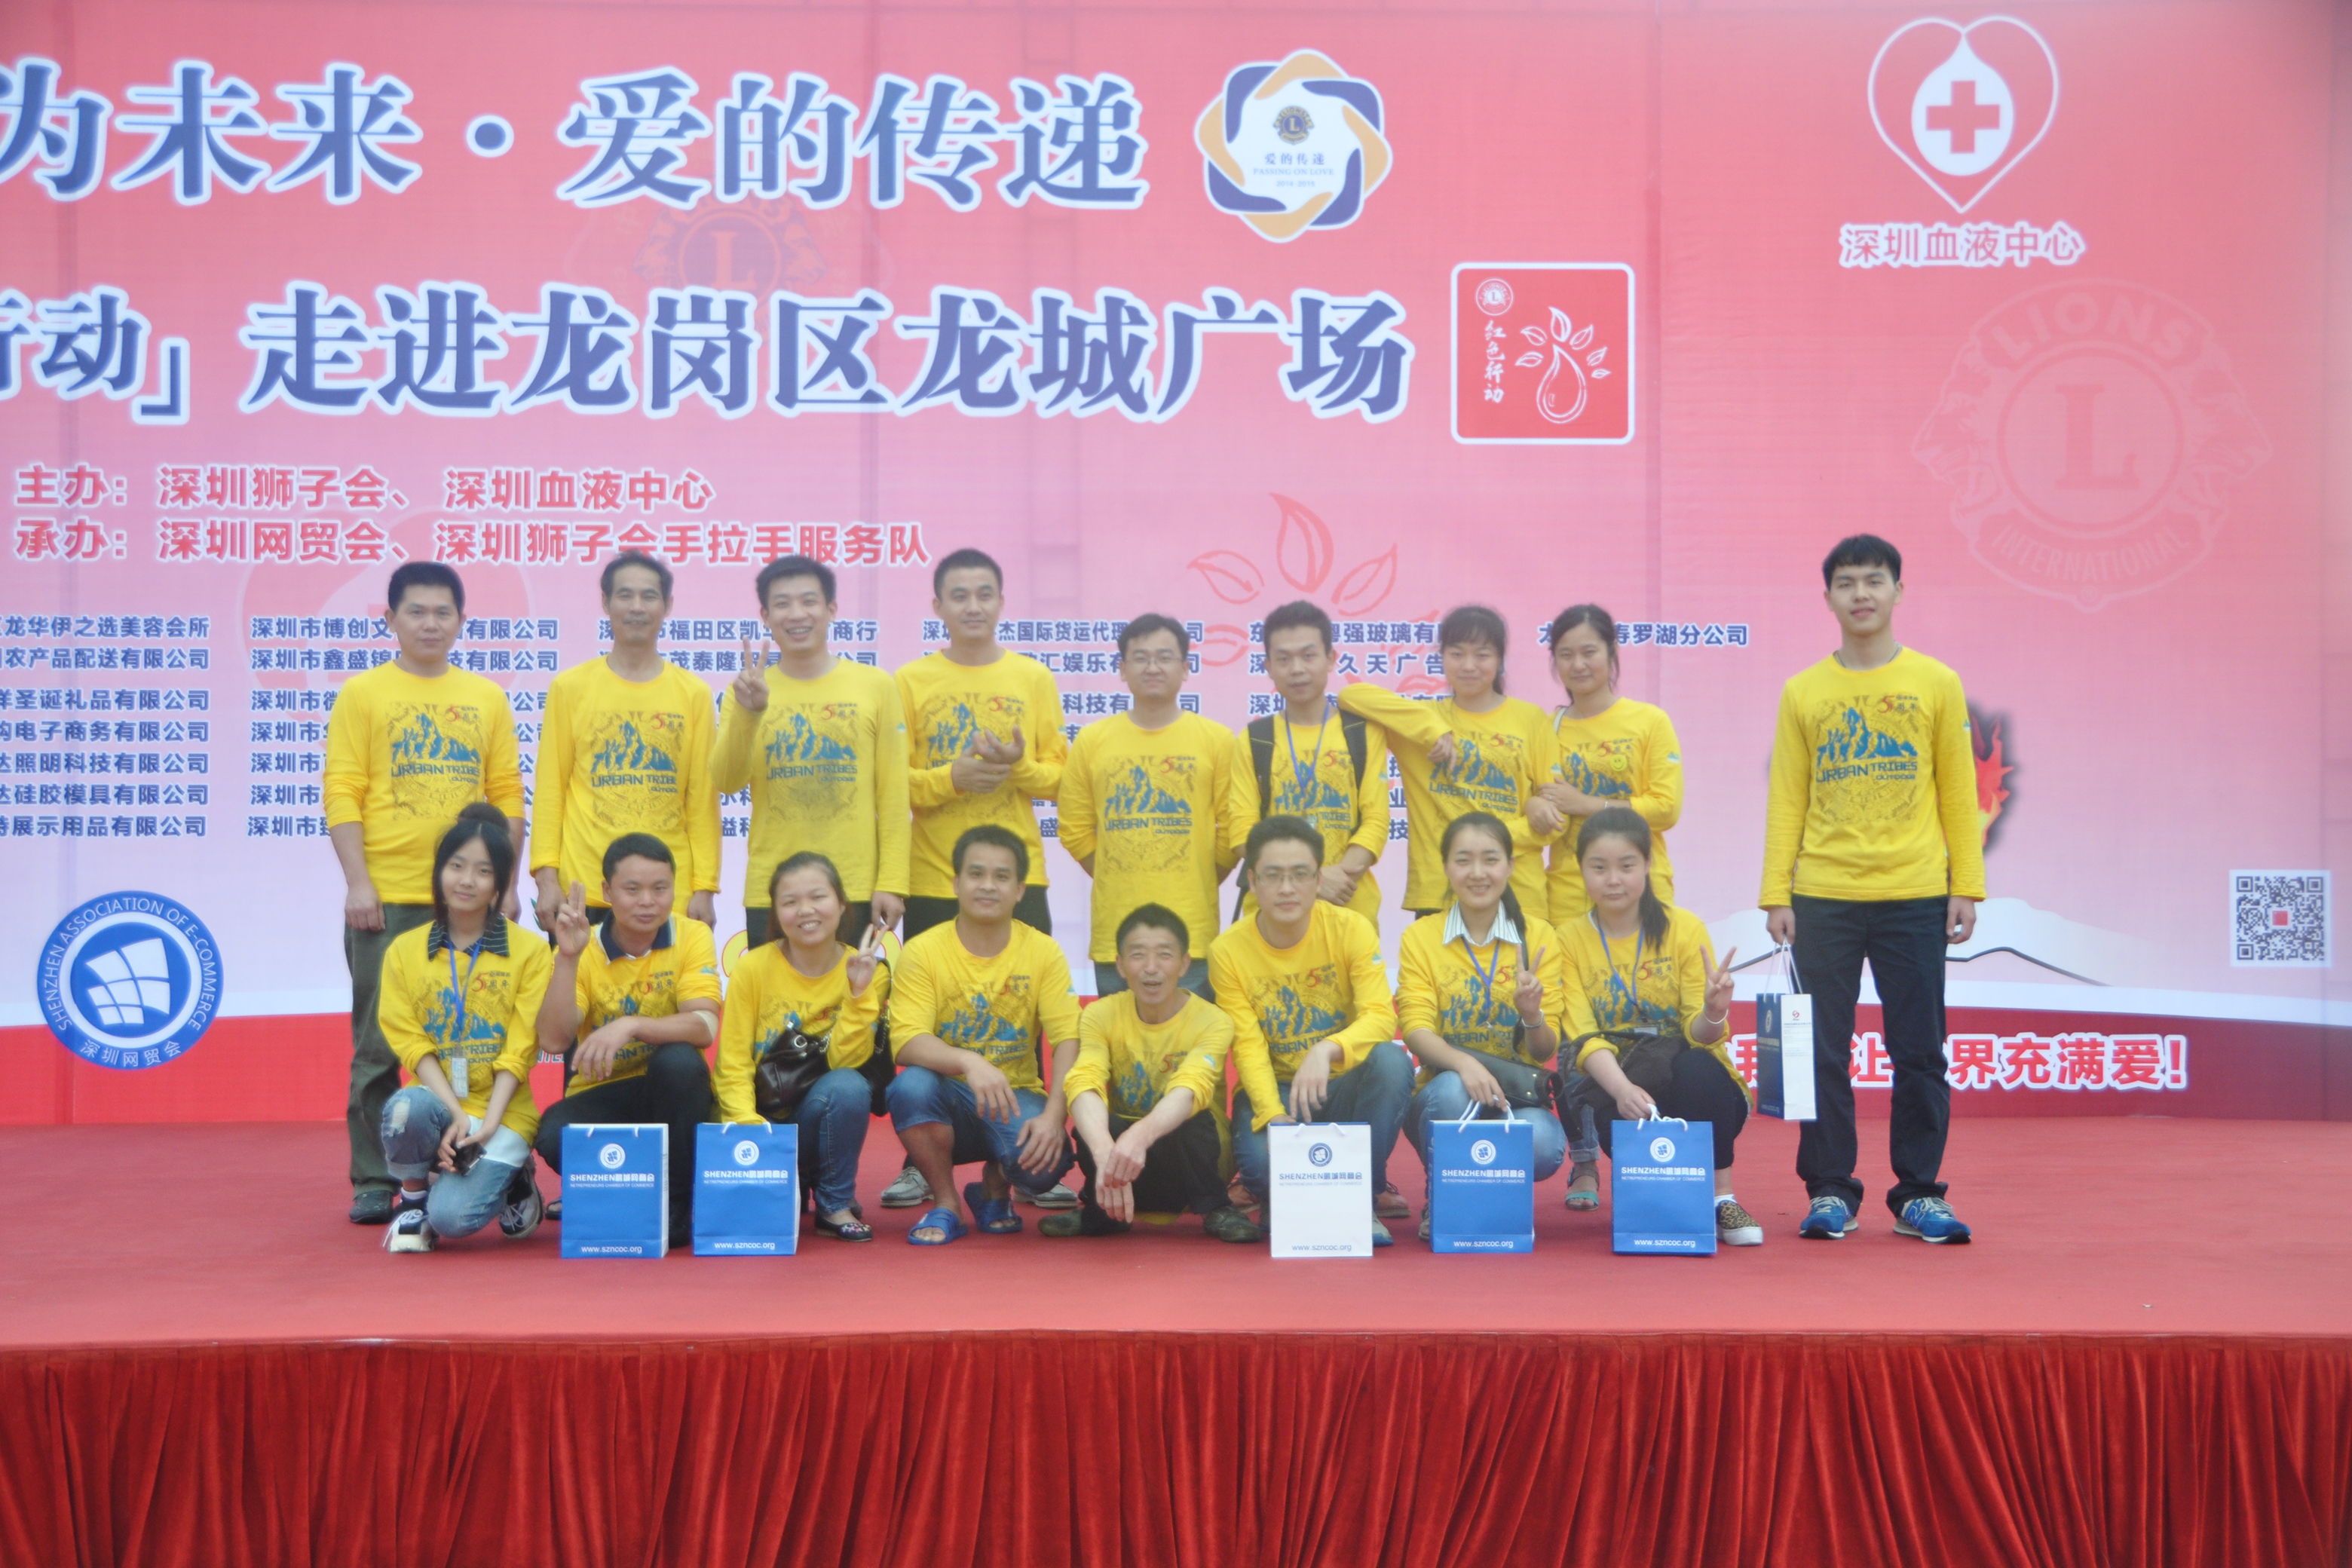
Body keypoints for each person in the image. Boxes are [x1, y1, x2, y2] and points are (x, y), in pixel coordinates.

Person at [1761, 534, 1983, 1244]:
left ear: (1898, 592)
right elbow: (1787, 798)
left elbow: (1959, 791)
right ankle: (1830, 1189)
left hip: (1914, 892)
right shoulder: (1804, 691)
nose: (1862, 594)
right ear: (1828, 597)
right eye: (1848, 583)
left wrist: (1966, 885)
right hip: (1822, 894)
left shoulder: (1936, 683)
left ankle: (1919, 1193)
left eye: (1875, 581)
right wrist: (1777, 893)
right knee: (1822, 1050)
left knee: (1919, 1049)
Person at [325, 562, 524, 1227]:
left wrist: (507, 884)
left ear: (462, 621)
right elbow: (343, 789)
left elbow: (506, 794)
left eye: (443, 612)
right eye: (416, 611)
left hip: (471, 898)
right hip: (389, 897)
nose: (430, 623)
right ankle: (376, 1177)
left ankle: (484, 1155)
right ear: (390, 619)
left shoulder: (485, 697)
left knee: (480, 1034)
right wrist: (359, 882)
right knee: (380, 1044)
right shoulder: (363, 694)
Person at [887, 547, 1070, 1213]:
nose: (972, 606)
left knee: (1024, 1014)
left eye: (984, 594)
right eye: (958, 595)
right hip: (935, 876)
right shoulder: (910, 680)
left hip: (1017, 874)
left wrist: (1018, 766)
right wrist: (951, 778)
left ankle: (1022, 1153)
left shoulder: (1031, 676)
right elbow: (891, 781)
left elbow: (1061, 777)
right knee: (932, 1023)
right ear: (937, 606)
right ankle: (921, 1161)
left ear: (1001, 602)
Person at [1562, 806, 1759, 1247]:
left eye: (1626, 866)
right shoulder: (1568, 940)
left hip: (1690, 1082)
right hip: (1621, 1086)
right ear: (1581, 870)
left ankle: (1722, 1198)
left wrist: (1713, 1011)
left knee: (1699, 1069)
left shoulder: (1683, 930)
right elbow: (1584, 1036)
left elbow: (1699, 1036)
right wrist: (1622, 1091)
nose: (1614, 880)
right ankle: (1663, 1199)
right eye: (1599, 867)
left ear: (1649, 864)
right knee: (1656, 1201)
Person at [1211, 815, 1410, 1245]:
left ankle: (1361, 1192)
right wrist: (1273, 1115)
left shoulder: (1351, 928)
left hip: (1342, 1085)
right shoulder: (1227, 951)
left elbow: (1381, 1016)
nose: (1287, 888)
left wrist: (1326, 1050)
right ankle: (1286, 1194)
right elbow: (1247, 1046)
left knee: (1391, 1062)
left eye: (1300, 875)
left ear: (1319, 879)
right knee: (1263, 1166)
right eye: (1273, 876)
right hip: (1280, 1090)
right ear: (1252, 881)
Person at [884, 825, 1081, 1245]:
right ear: (956, 883)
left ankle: (993, 1188)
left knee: (1048, 1163)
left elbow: (1069, 1039)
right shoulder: (923, 951)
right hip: (948, 1098)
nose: (988, 885)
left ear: (1020, 890)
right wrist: (969, 1061)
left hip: (1015, 1097)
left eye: (1001, 876)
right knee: (910, 1088)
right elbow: (906, 1040)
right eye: (976, 874)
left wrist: (1054, 1117)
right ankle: (946, 1203)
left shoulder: (1043, 951)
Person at [375, 804, 552, 1253]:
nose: (467, 880)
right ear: (439, 873)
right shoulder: (404, 951)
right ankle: (413, 1200)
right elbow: (411, 1044)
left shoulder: (530, 952)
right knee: (406, 1108)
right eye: (456, 866)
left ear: (499, 885)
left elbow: (520, 1048)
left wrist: (488, 1125)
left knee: (453, 1220)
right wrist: (455, 1113)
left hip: (503, 1112)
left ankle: (515, 1180)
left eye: (483, 871)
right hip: (439, 1102)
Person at [534, 834, 721, 1242]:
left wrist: (632, 1025)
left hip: (675, 1095)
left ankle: (676, 1206)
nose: (648, 902)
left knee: (679, 1061)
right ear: (607, 892)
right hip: (606, 1089)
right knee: (554, 1134)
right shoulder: (580, 946)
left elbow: (705, 1026)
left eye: (660, 889)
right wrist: (567, 958)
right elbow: (553, 1040)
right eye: (632, 889)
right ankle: (629, 1192)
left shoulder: (692, 935)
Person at [715, 553, 911, 947]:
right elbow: (726, 781)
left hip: (852, 885)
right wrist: (749, 715)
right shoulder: (747, 691)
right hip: (773, 889)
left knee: (854, 987)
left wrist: (892, 882)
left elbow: (893, 794)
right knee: (773, 988)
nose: (796, 614)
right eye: (782, 604)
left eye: (809, 601)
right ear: (765, 616)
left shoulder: (875, 686)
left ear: (831, 609)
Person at [1397, 813, 1570, 1242]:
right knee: (1453, 1092)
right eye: (1464, 860)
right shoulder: (1421, 937)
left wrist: (1532, 1015)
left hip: (1515, 1098)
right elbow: (1415, 1029)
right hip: (1445, 1093)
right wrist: (1465, 1065)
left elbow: (1544, 1051)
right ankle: (1444, 1196)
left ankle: (1488, 1195)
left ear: (1510, 865)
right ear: (1446, 866)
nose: (1477, 873)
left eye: (1490, 859)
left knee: (1543, 1143)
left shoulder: (1539, 937)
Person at [531, 550, 720, 931]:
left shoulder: (694, 693)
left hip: (667, 894)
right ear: (606, 603)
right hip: (585, 889)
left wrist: (705, 887)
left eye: (649, 596)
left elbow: (702, 798)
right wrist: (546, 879)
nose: (637, 607)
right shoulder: (570, 688)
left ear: (667, 605)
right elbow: (551, 789)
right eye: (625, 595)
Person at [1052, 904, 1259, 1242]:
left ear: (1184, 964)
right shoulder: (1099, 1015)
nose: (1151, 968)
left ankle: (1216, 1209)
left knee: (1193, 1118)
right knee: (1096, 1123)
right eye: (1138, 955)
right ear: (1120, 965)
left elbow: (1190, 1088)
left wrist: (1138, 1137)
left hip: (1195, 1162)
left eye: (1164, 955)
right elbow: (1084, 1080)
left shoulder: (1213, 1020)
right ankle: (1105, 1212)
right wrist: (1105, 1150)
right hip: (1122, 1164)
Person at [1339, 605, 1562, 917]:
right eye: (1457, 654)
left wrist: (1483, 844)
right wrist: (1433, 729)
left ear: (1500, 660)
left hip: (1517, 893)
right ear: (1441, 658)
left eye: (1482, 655)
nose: (1469, 666)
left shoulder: (1531, 720)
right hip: (1439, 893)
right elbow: (1351, 697)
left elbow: (1556, 821)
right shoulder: (1422, 723)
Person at [712, 852, 890, 1242]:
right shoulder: (753, 967)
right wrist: (749, 1128)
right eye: (790, 902)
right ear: (777, 914)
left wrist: (858, 993)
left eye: (818, 897)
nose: (805, 911)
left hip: (817, 1115)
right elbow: (733, 1061)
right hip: (764, 1121)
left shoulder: (866, 970)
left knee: (849, 1087)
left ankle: (834, 1203)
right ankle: (792, 1179)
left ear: (841, 904)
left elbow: (846, 1062)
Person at [1058, 613, 1236, 999]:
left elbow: (1233, 828)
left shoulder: (1218, 740)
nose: (1152, 667)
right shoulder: (1092, 740)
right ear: (1122, 669)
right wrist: (1116, 870)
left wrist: (1201, 877)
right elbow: (1073, 828)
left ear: (1185, 668)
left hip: (1191, 932)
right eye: (1140, 658)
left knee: (1192, 1035)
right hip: (1117, 931)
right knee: (1118, 1037)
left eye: (1164, 657)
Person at [1225, 599, 1392, 922]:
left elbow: (1375, 822)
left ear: (1330, 659)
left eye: (1308, 655)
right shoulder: (1256, 739)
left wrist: (1331, 879)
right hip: (1273, 915)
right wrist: (1311, 881)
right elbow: (1243, 831)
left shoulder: (1362, 733)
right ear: (1268, 666)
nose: (1297, 669)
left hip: (1348, 907)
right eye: (1284, 659)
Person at [1536, 605, 1683, 925]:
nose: (1578, 665)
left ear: (1611, 651)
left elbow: (1666, 809)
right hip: (1569, 896)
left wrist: (1587, 804)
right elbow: (1539, 809)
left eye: (1589, 652)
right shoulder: (1545, 730)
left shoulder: (1650, 721)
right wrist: (1535, 807)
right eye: (1566, 655)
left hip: (1641, 891)